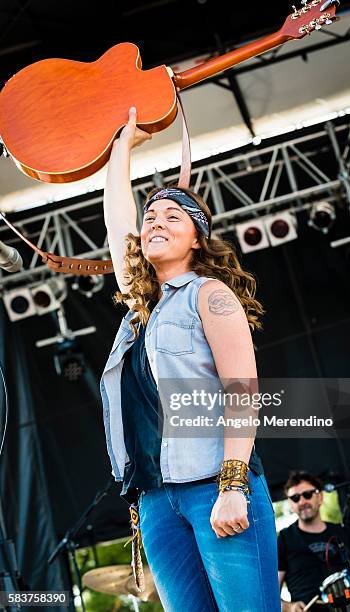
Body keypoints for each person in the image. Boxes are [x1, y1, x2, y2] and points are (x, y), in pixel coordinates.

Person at [100, 106, 281, 612]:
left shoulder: (210, 294)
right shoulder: (142, 308)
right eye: (151, 217)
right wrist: (123, 145)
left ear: (196, 238)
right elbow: (118, 221)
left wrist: (232, 485)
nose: (155, 223)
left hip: (214, 486)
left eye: (172, 217)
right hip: (156, 500)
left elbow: (243, 392)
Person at [277, 471, 350, 611]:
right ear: (291, 504)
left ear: (320, 497)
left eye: (307, 495)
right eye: (295, 498)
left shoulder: (343, 533)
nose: (302, 502)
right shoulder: (284, 539)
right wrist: (288, 607)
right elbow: (270, 592)